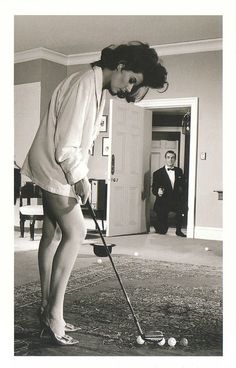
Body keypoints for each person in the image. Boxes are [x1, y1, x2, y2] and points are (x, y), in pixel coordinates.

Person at [21, 41, 168, 346]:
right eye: (131, 80)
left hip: (50, 164)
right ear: (121, 64)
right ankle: (54, 315)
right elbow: (66, 144)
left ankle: (47, 307)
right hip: (55, 167)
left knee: (52, 235)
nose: (129, 90)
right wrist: (80, 178)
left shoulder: (92, 85)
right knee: (75, 232)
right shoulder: (84, 87)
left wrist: (79, 175)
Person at [152, 150, 187, 237]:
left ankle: (178, 230)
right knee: (162, 231)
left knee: (182, 207)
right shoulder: (157, 173)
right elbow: (154, 189)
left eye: (172, 158)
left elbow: (183, 185)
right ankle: (158, 226)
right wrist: (158, 192)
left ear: (175, 159)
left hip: (175, 200)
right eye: (168, 157)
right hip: (163, 201)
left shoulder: (179, 171)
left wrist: (183, 198)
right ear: (165, 159)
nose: (170, 160)